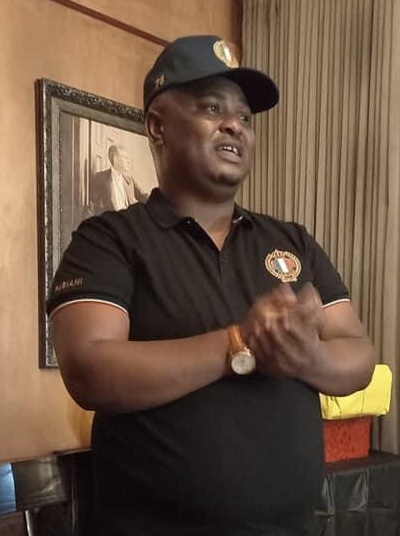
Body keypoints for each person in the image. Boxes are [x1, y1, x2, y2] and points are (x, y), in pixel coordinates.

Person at [47, 35, 375, 536]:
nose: (234, 126)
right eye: (212, 108)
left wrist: (303, 355)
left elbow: (359, 356)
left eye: (245, 117)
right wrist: (239, 343)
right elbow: (89, 370)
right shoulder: (108, 240)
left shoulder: (293, 241)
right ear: (157, 126)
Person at [89, 143, 148, 215]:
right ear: (115, 159)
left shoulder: (129, 180)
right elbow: (92, 206)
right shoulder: (100, 178)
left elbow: (144, 196)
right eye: (125, 157)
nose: (128, 161)